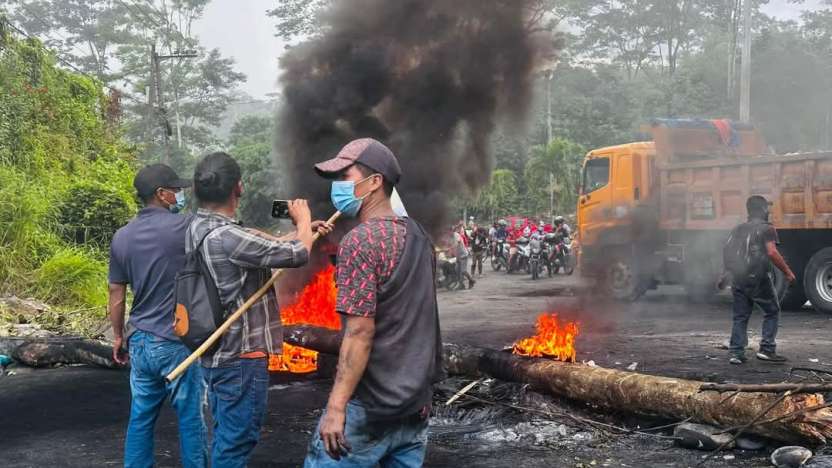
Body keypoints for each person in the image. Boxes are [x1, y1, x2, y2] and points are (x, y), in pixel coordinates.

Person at [305, 138, 443, 467]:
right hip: (414, 407)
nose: (337, 187)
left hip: (369, 409)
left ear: (375, 182)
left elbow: (360, 333)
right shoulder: (420, 237)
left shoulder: (360, 241)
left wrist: (336, 408)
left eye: (345, 177)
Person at [188, 152, 331, 467]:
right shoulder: (228, 238)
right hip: (241, 357)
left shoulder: (197, 227)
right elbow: (296, 255)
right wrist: (303, 220)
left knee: (224, 435)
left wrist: (299, 233)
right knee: (237, 441)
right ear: (239, 188)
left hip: (216, 353)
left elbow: (253, 240)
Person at [108, 164, 207, 468]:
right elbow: (229, 233)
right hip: (176, 341)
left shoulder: (122, 237)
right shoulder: (185, 227)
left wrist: (118, 336)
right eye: (175, 191)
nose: (179, 196)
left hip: (140, 341)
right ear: (161, 194)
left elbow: (116, 293)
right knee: (191, 418)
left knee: (140, 417)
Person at [721, 195, 796, 364]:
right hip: (758, 278)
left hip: (739, 278)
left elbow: (727, 251)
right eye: (767, 208)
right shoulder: (767, 229)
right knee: (772, 311)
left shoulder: (738, 229)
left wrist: (725, 274)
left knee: (740, 316)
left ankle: (736, 353)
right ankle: (767, 349)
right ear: (763, 210)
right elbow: (772, 252)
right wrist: (788, 272)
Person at [453, 223, 476, 289]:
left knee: (463, 271)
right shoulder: (451, 236)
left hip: (463, 255)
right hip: (458, 256)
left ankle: (471, 280)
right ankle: (461, 285)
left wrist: (450, 248)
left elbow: (457, 242)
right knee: (457, 270)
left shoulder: (456, 235)